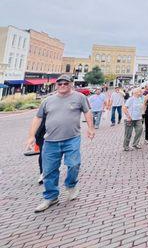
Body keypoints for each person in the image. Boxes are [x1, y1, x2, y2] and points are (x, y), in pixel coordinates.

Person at [25, 74, 95, 213]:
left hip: (72, 139)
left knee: (74, 164)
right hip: (50, 141)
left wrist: (91, 128)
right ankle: (51, 197)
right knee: (49, 170)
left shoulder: (79, 97)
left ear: (71, 84)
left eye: (66, 83)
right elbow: (38, 118)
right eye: (60, 84)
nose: (62, 86)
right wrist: (31, 136)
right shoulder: (47, 100)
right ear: (56, 85)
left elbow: (87, 112)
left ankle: (71, 185)